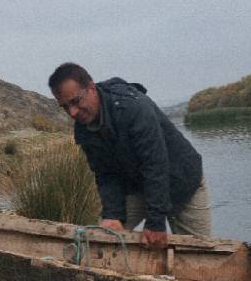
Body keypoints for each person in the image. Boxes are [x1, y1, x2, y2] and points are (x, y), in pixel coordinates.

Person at [48, 62, 212, 250]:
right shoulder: (84, 129)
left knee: (197, 255)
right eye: (65, 107)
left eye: (76, 101)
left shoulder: (133, 108)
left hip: (183, 182)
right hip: (139, 187)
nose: (73, 112)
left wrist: (155, 222)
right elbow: (105, 174)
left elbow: (155, 165)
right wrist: (112, 214)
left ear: (92, 88)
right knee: (102, 239)